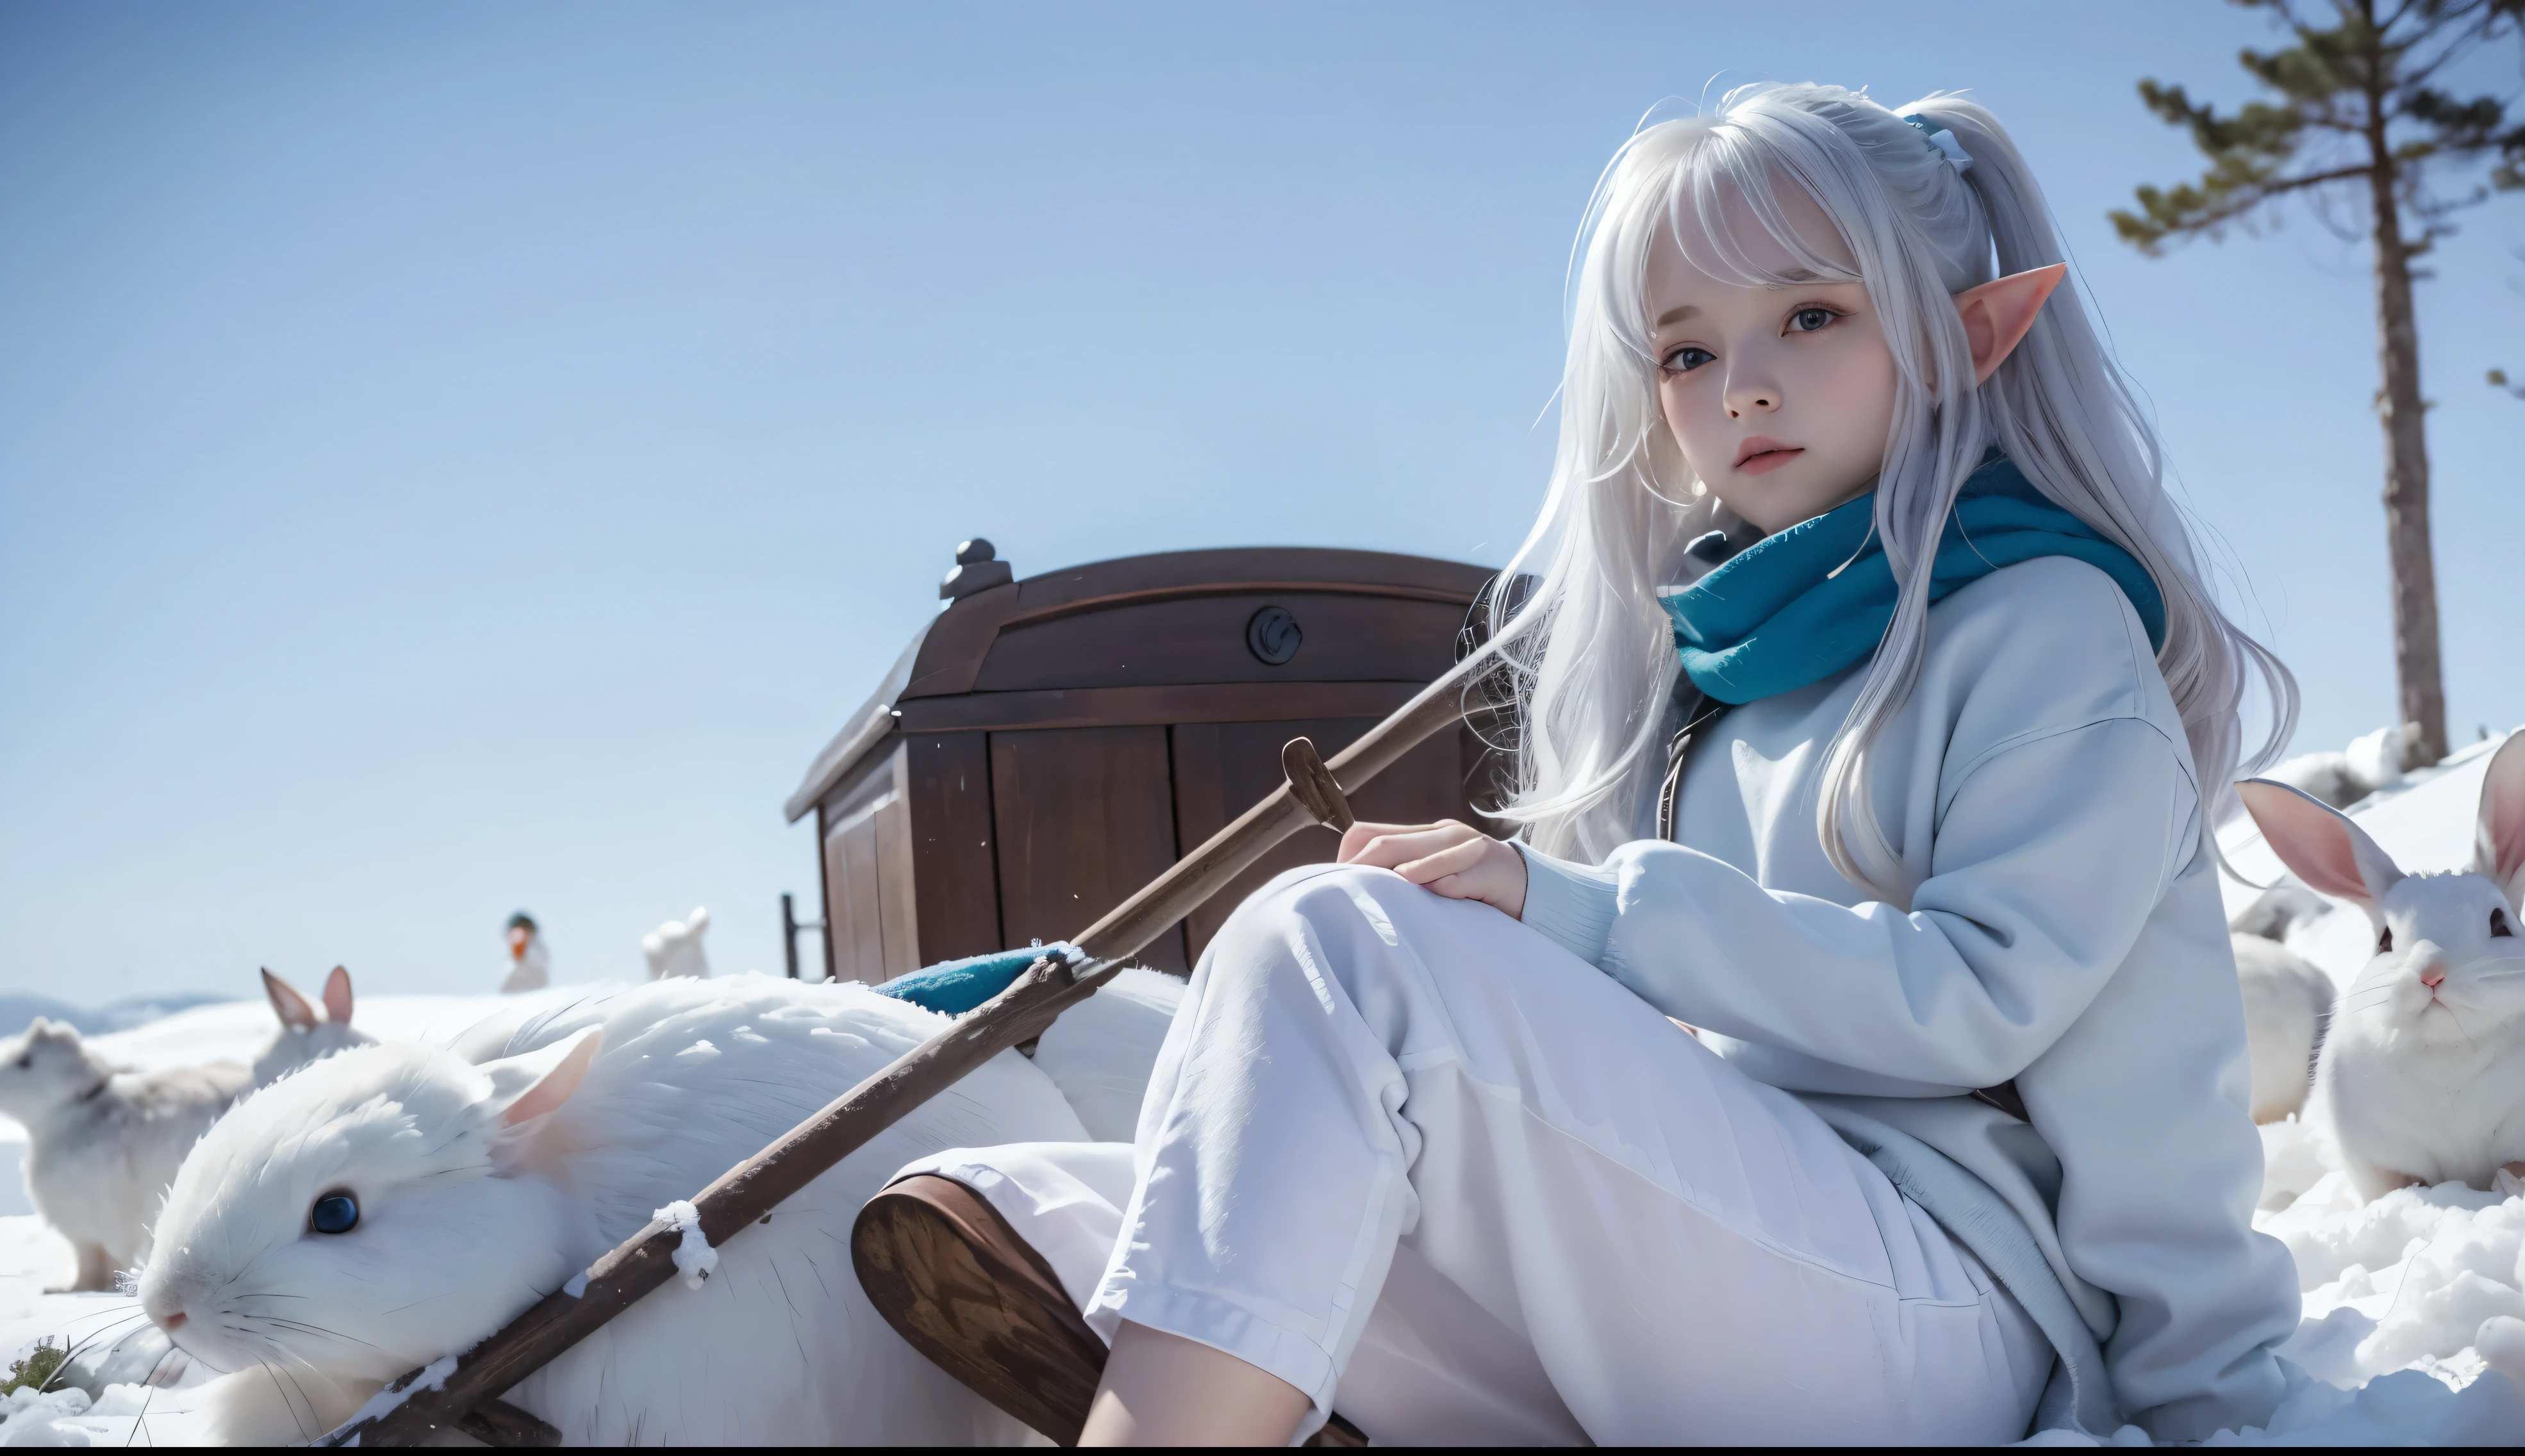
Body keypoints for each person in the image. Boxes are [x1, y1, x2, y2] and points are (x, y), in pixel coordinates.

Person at [873, 82, 2305, 1444]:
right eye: (1687, 349)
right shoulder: (1722, 674)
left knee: (1329, 944)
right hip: (1729, 1263)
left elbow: (1984, 998)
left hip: (1953, 1311)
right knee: (1043, 1197)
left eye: (1809, 315)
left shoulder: (2042, 623)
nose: (1742, 386)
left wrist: (2199, 1390)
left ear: (1975, 332)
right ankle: (1235, 1358)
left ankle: (1219, 1383)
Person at [500, 910, 551, 993]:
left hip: (532, 984)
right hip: (519, 986)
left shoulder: (535, 947)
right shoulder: (538, 947)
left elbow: (518, 955)